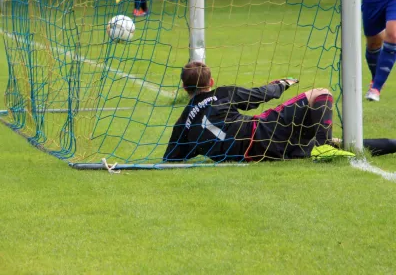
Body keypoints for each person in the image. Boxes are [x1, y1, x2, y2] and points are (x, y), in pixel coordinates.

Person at [163, 62, 396, 162]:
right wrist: (281, 84)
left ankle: (327, 145)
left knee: (340, 144)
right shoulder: (221, 94)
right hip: (261, 133)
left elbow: (171, 158)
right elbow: (259, 95)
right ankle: (324, 148)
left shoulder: (183, 122)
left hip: (257, 155)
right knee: (320, 93)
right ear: (211, 80)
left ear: (184, 88)